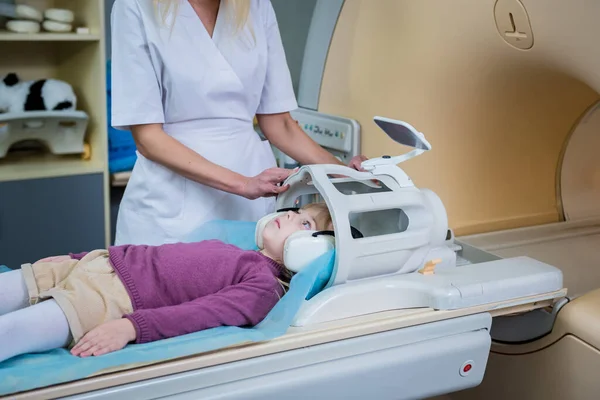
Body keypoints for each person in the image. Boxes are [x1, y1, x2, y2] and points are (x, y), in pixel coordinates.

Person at [110, 0, 367, 246]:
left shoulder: (258, 7)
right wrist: (243, 184)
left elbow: (280, 124)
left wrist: (346, 173)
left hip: (250, 203)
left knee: (250, 286)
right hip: (170, 203)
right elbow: (148, 139)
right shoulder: (135, 6)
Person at [0, 203, 333, 363]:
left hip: (110, 299)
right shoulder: (235, 250)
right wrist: (76, 257)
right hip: (94, 265)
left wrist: (131, 328)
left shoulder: (264, 286)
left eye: (304, 222)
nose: (290, 215)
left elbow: (202, 313)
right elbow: (152, 254)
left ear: (314, 249)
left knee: (9, 333)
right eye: (295, 210)